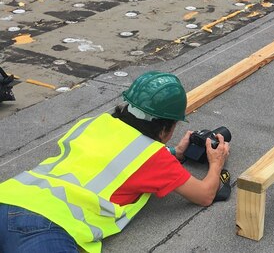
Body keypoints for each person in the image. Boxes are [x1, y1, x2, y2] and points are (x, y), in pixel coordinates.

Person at [0, 71, 230, 253]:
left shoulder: (93, 123)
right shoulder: (153, 157)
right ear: (166, 128)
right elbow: (205, 194)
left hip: (8, 196)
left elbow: (110, 157)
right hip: (44, 223)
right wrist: (216, 162)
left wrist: (175, 153)